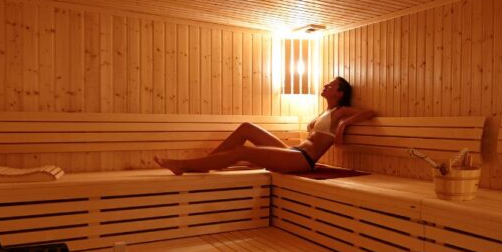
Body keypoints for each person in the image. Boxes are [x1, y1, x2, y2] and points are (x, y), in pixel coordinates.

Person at [154, 77, 374, 174]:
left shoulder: (341, 111)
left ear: (340, 93)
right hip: (293, 153)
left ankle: (184, 165)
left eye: (332, 85)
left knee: (244, 152)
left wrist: (345, 125)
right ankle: (205, 164)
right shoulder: (324, 112)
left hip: (302, 161)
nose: (326, 85)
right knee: (246, 127)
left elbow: (370, 112)